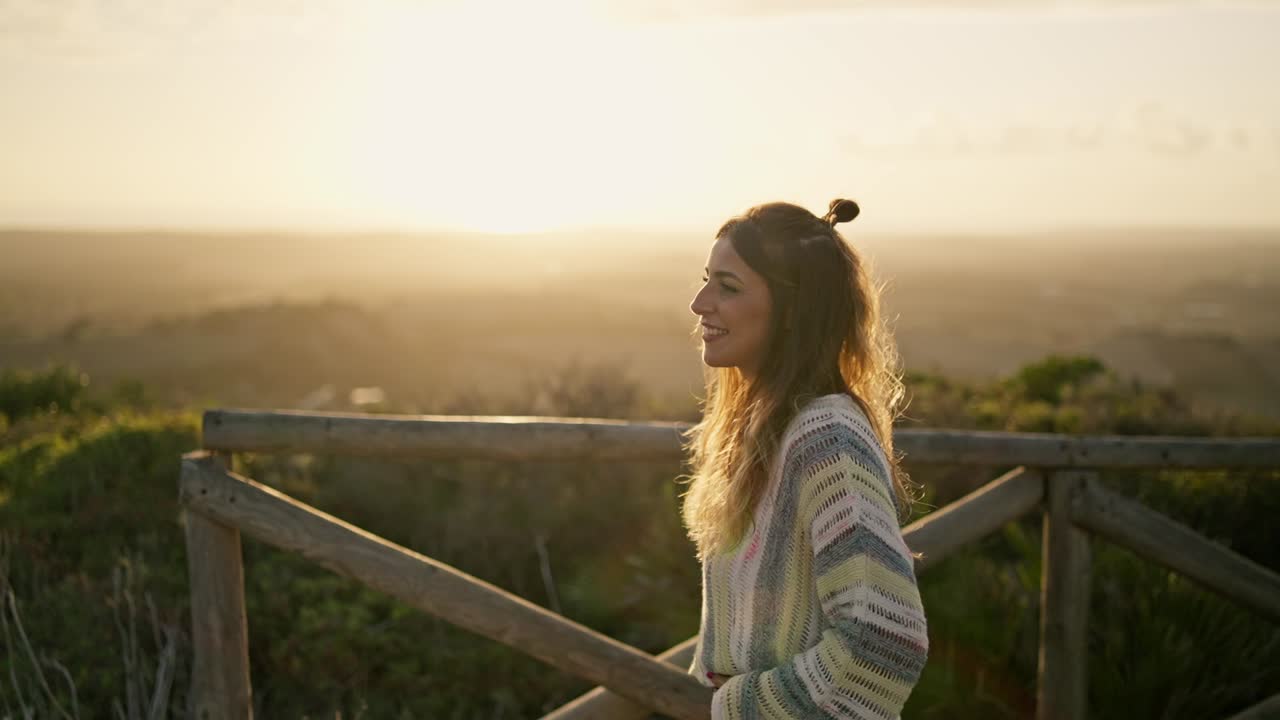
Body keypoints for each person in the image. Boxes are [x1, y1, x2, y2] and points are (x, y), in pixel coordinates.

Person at [682, 199, 928, 719]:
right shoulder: (761, 432)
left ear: (793, 310)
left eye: (728, 287)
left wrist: (740, 705)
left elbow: (885, 638)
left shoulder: (826, 434)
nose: (700, 302)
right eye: (707, 280)